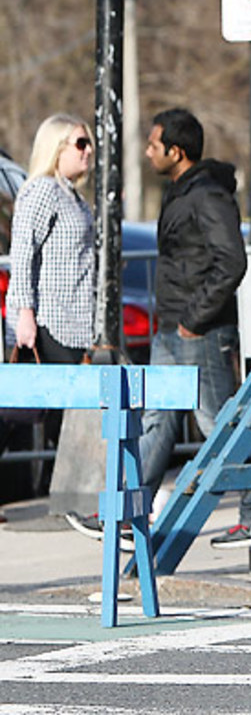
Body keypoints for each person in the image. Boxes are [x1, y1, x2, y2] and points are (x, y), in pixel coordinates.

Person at [63, 109, 251, 547]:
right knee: (155, 421)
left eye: (154, 145)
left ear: (177, 152)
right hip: (171, 327)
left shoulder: (207, 195)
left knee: (216, 421)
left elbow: (232, 261)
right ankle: (128, 514)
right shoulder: (180, 192)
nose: (148, 151)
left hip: (200, 330)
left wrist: (194, 321)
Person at [3, 114, 96, 495]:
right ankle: (76, 495)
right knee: (49, 409)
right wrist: (24, 313)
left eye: (89, 143)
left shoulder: (70, 193)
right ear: (56, 148)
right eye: (79, 144)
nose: (88, 151)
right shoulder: (40, 191)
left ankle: (72, 494)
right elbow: (22, 252)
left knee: (63, 411)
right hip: (50, 319)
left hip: (76, 318)